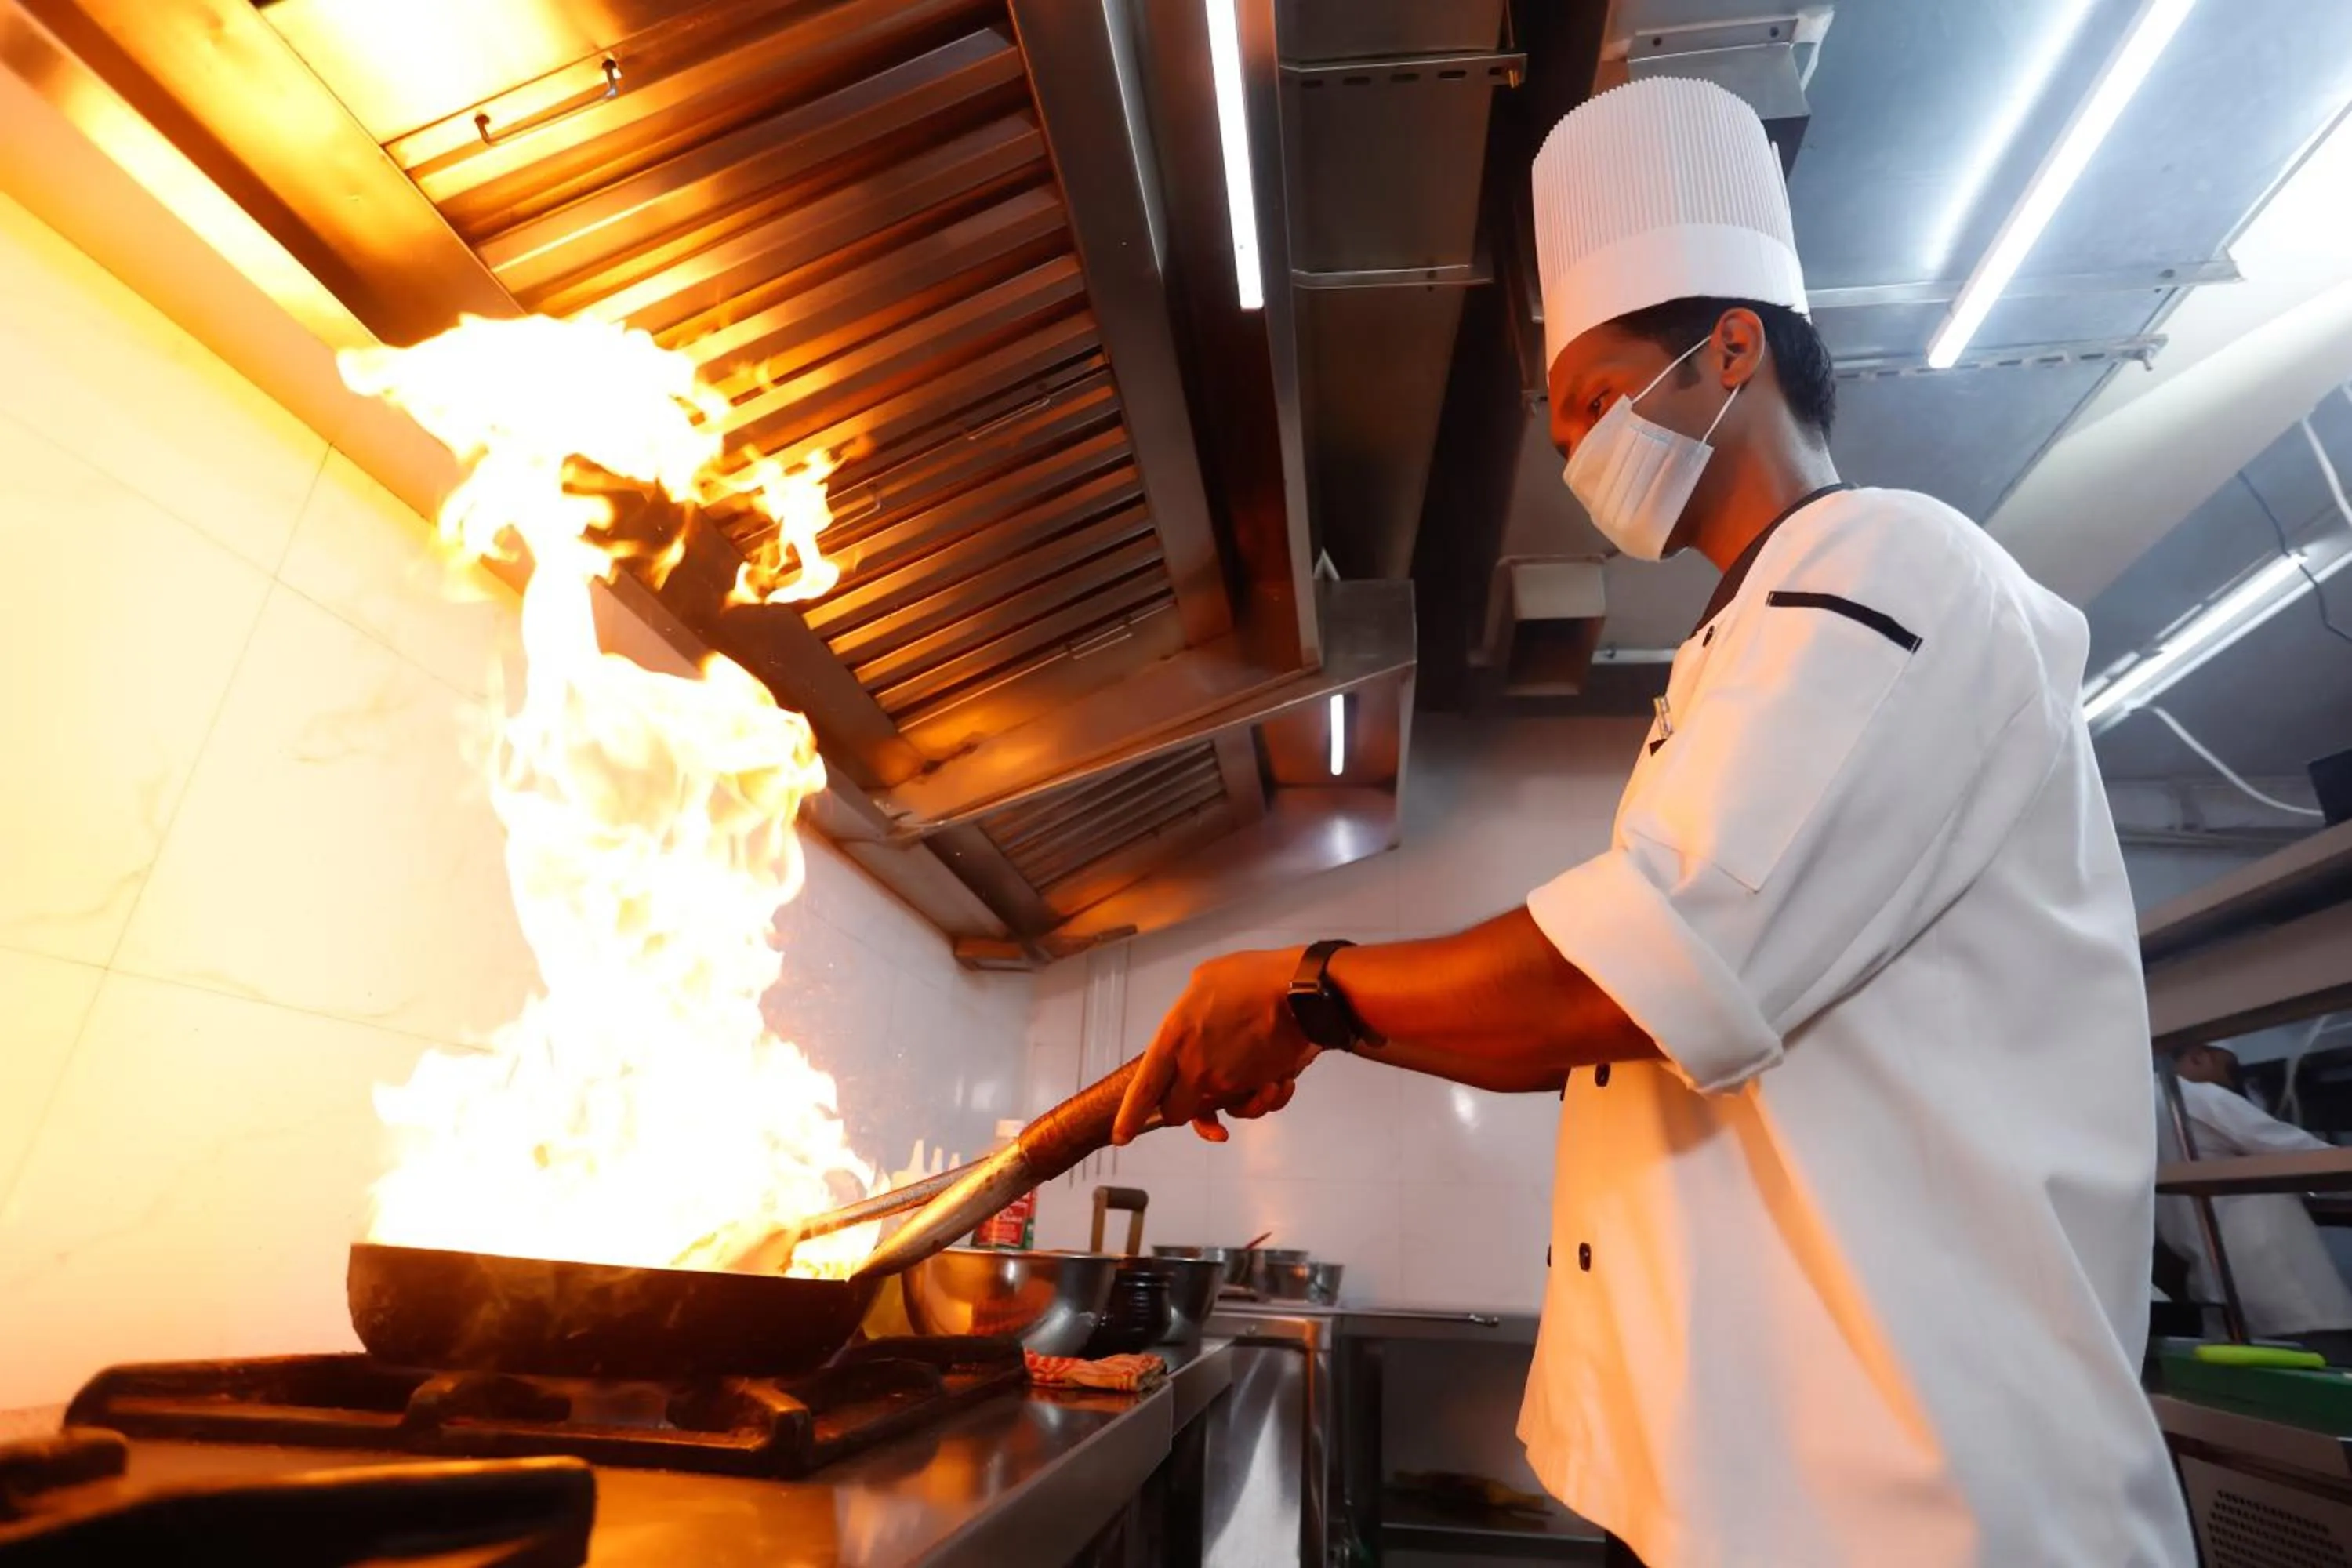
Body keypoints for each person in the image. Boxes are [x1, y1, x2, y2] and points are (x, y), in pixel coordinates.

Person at [1112, 77, 2193, 1566]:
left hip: (1913, 1511)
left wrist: (1304, 992)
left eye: (1590, 400)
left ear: (1730, 349)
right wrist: (1338, 1016)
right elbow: (1611, 1027)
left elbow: (1622, 978)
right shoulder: (1745, 644)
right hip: (1758, 1501)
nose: (1574, 455)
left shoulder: (1887, 569)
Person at [2158, 1044, 2352, 1359]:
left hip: (2217, 1290)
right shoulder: (2200, 1097)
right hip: (2285, 1292)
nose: (2232, 1081)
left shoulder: (2144, 1111)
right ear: (2198, 1056)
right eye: (2228, 1067)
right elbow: (2300, 1153)